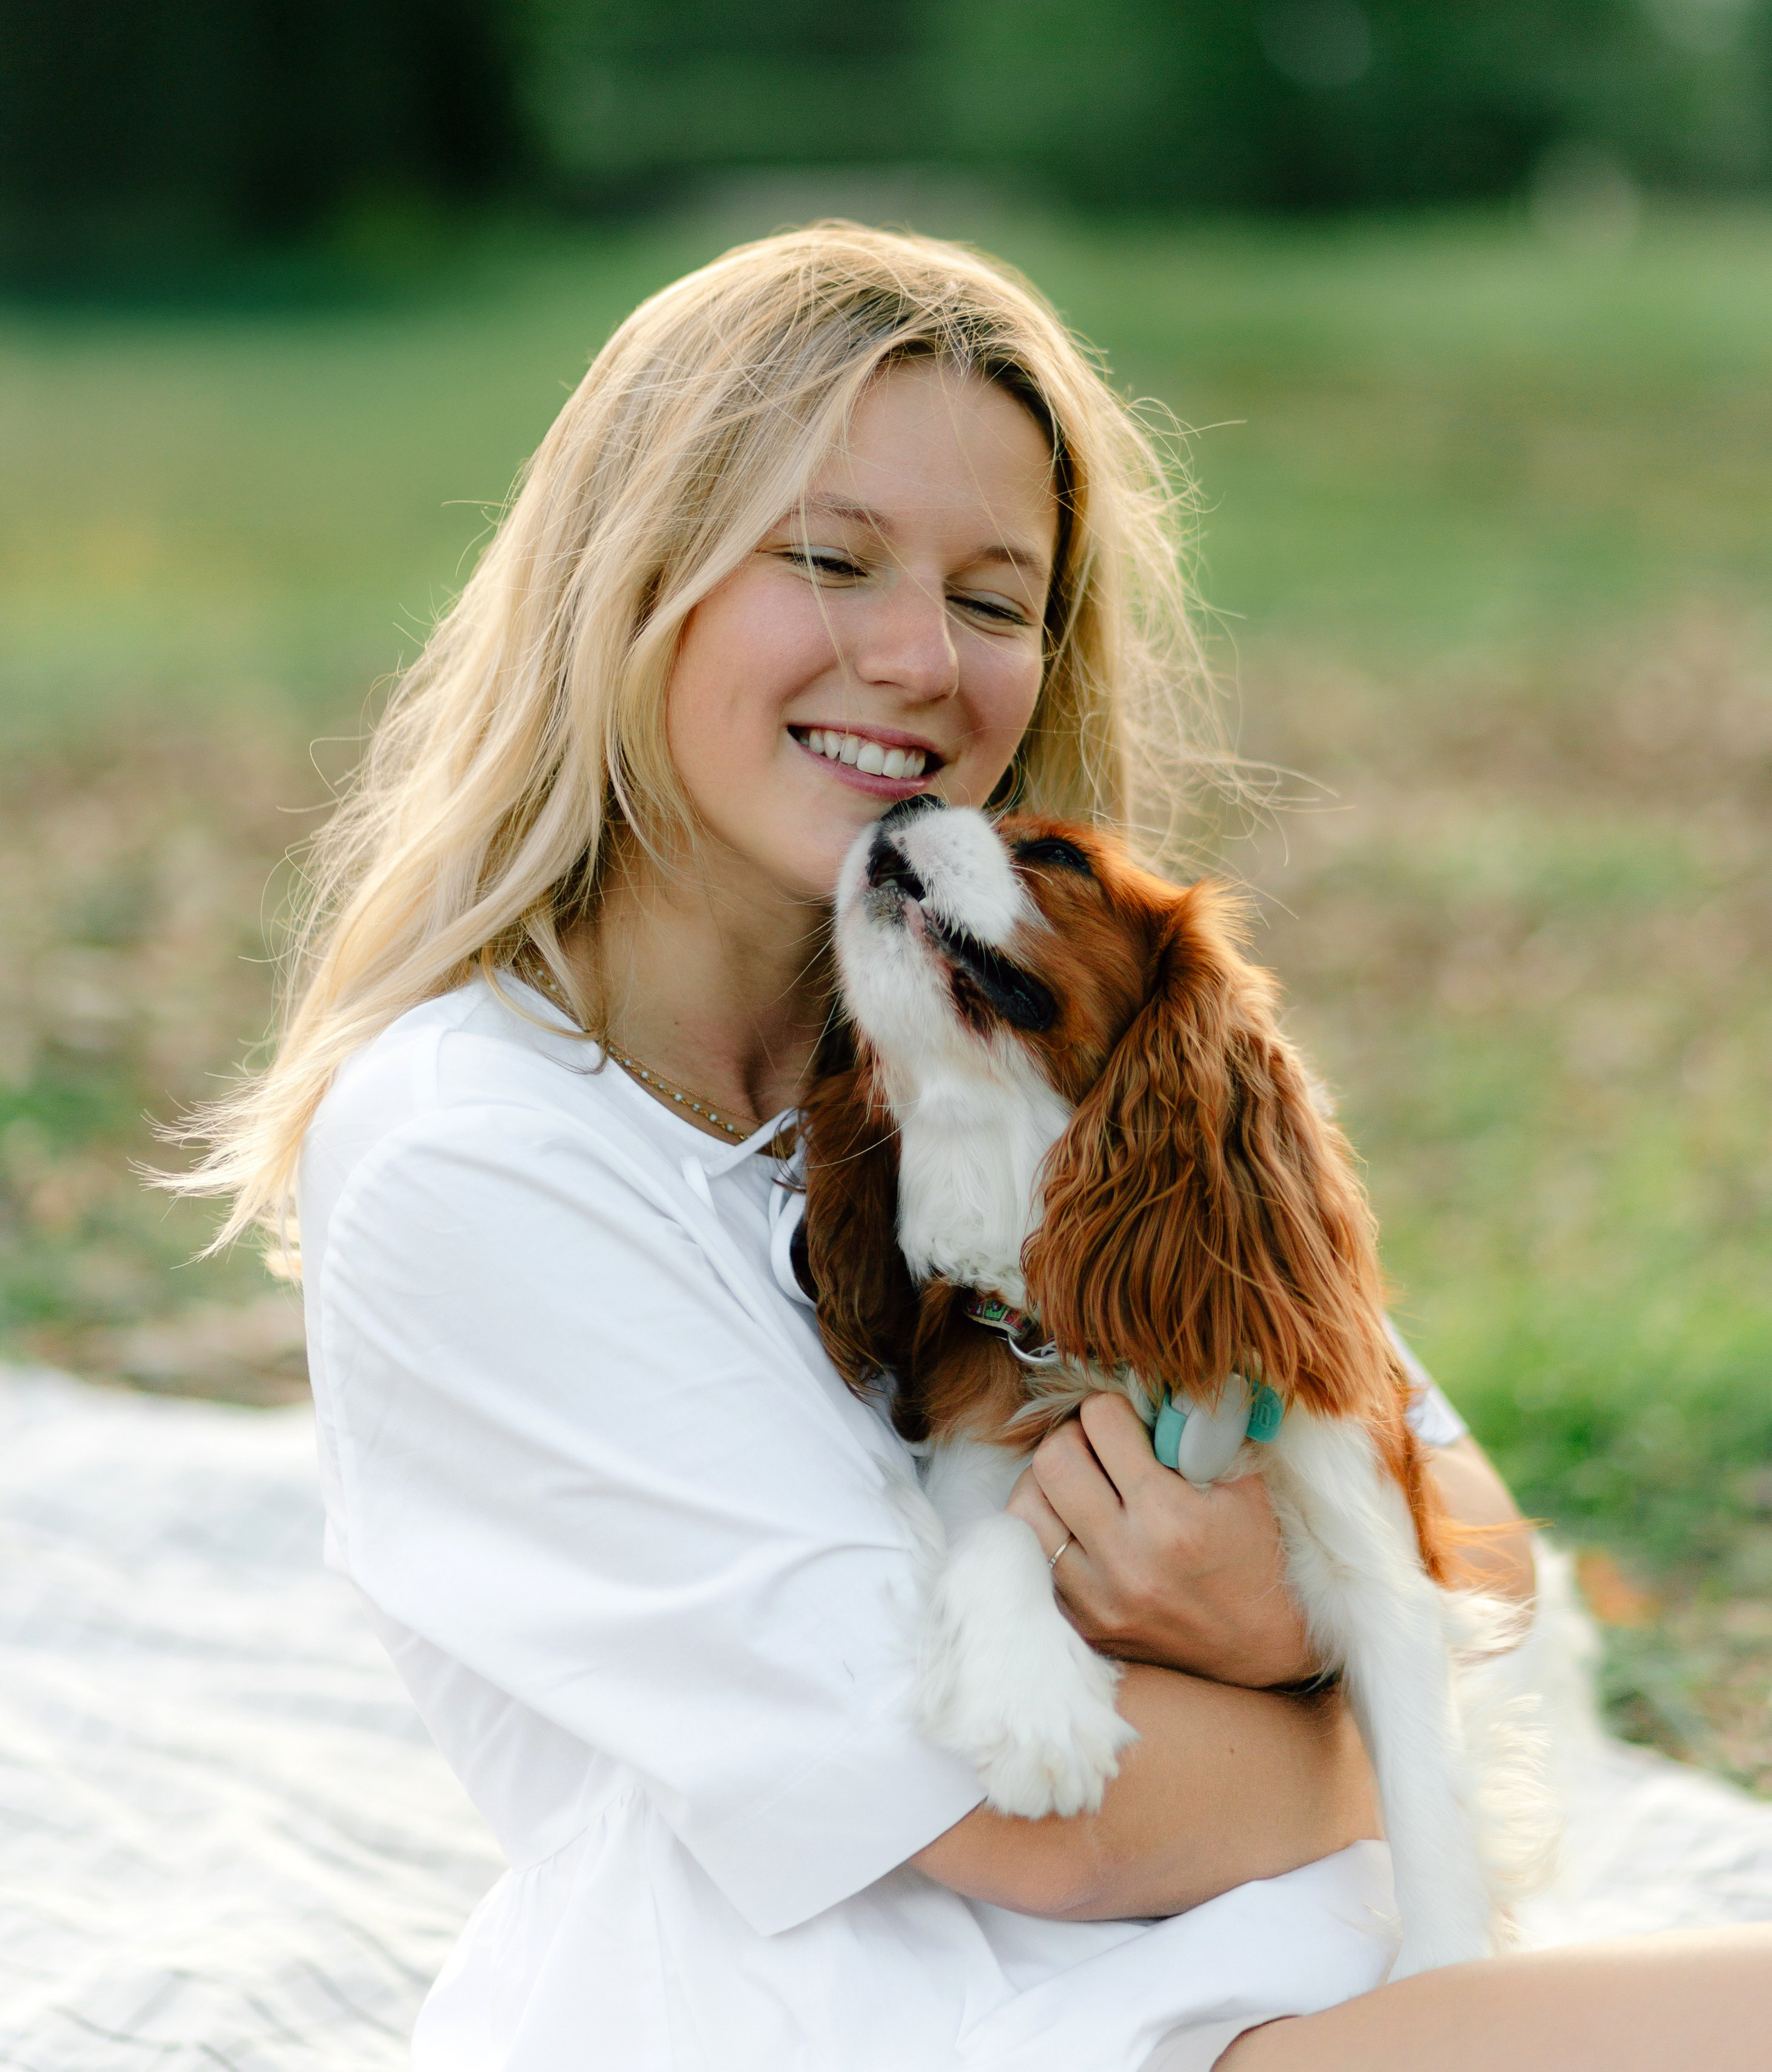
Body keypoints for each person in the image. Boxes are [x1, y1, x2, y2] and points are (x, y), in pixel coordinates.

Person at [180, 225, 1772, 2071]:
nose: (921, 660)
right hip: (894, 2024)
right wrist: (1351, 1692)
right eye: (830, 558)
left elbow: (1474, 1546)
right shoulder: (470, 1152)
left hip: (1280, 1951)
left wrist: (1293, 1613)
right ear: (630, 581)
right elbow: (1029, 1820)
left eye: (998, 601)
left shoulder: (1034, 1051)